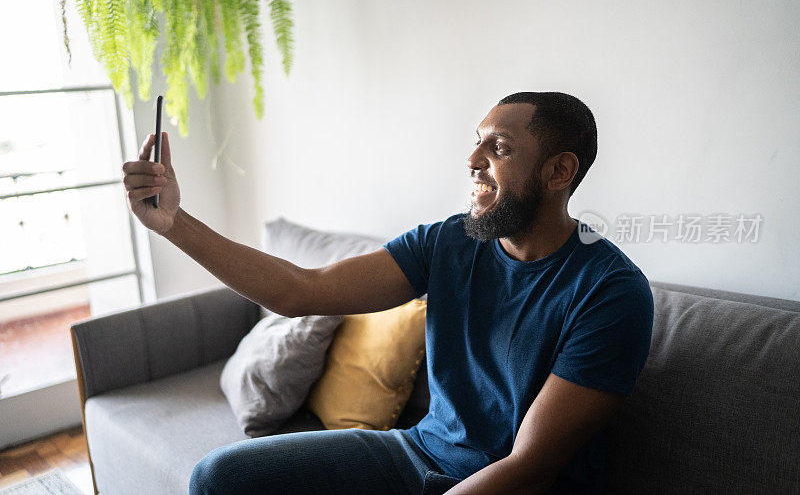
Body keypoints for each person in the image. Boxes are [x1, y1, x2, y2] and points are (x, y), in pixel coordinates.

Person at [121, 91, 654, 494]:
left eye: (500, 148)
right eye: (477, 140)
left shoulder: (611, 292)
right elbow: (301, 290)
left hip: (507, 487)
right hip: (417, 451)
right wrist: (174, 224)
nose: (473, 159)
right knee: (218, 477)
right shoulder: (450, 241)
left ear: (559, 170)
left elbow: (527, 467)